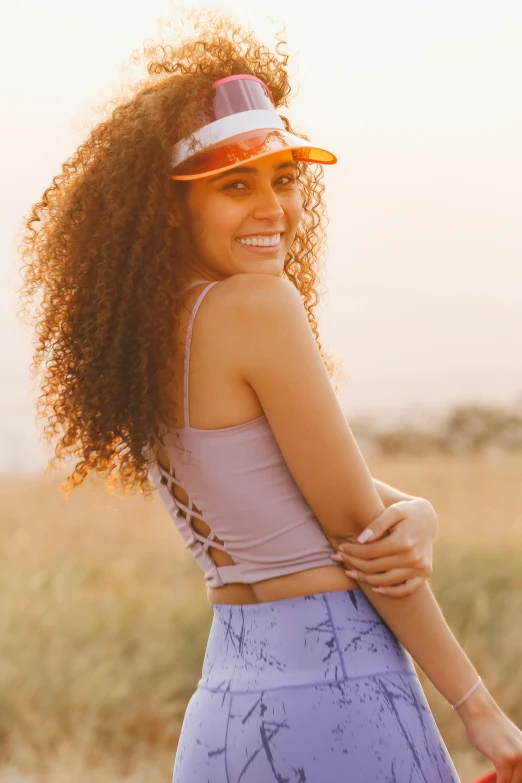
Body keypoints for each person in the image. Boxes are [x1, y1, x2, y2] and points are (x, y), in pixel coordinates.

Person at [18, 13, 521, 783]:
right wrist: (478, 705)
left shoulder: (146, 331)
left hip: (226, 708)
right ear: (170, 205)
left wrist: (417, 509)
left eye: (284, 179)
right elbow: (358, 531)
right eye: (234, 184)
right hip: (337, 692)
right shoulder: (257, 308)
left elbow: (292, 485)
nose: (274, 209)